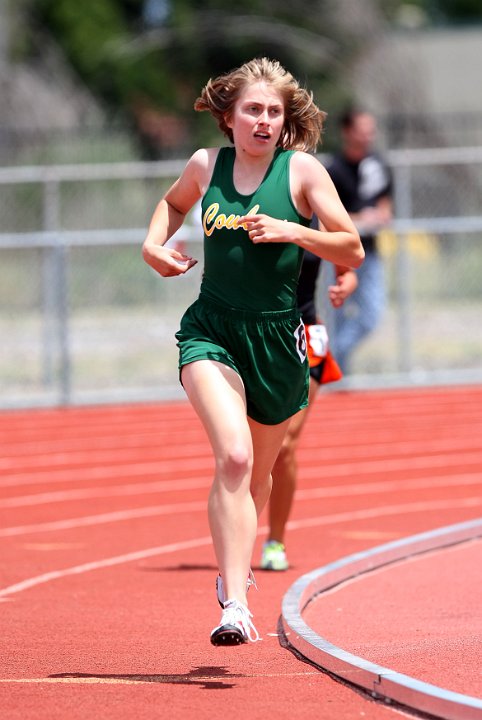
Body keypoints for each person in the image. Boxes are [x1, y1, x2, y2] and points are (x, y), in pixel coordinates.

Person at [142, 57, 364, 646]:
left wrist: (295, 231)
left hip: (279, 341)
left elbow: (352, 247)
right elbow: (172, 206)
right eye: (253, 110)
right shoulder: (205, 165)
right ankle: (234, 604)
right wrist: (153, 246)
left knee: (259, 473)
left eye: (273, 112)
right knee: (235, 459)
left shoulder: (303, 172)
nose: (264, 121)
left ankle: (240, 562)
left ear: (284, 120)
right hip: (212, 330)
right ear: (229, 116)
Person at [260, 240, 358, 571]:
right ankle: (237, 533)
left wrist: (344, 285)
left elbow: (348, 267)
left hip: (305, 335)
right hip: (256, 335)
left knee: (286, 444)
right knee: (248, 447)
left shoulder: (320, 209)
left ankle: (275, 541)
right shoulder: (253, 208)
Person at [327, 108, 393, 374]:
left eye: (371, 130)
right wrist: (358, 219)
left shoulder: (378, 165)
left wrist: (379, 216)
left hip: (370, 253)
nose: (367, 136)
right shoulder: (333, 169)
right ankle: (337, 377)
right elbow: (329, 215)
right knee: (336, 316)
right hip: (339, 256)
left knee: (371, 316)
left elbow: (386, 204)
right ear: (347, 132)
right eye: (361, 129)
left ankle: (334, 359)